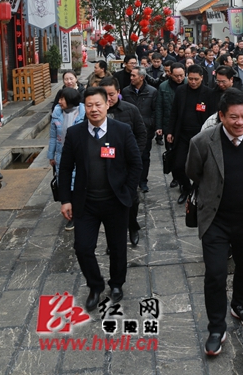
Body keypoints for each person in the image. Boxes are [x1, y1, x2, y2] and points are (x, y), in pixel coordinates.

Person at [186, 88, 243, 356]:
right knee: (215, 274)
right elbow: (193, 173)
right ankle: (215, 327)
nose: (240, 123)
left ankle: (240, 304)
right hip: (216, 221)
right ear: (221, 116)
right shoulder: (202, 141)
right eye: (233, 117)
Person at [57, 87, 142, 311]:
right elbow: (65, 169)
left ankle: (116, 284)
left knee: (117, 247)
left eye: (98, 104)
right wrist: (65, 199)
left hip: (115, 201)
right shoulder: (75, 134)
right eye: (89, 105)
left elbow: (136, 163)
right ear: (84, 107)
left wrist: (128, 191)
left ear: (107, 105)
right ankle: (95, 286)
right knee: (82, 248)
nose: (94, 109)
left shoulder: (121, 130)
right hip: (86, 202)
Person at [100, 77, 147, 246]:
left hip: (127, 165)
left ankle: (132, 225)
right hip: (104, 165)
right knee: (108, 205)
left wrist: (136, 155)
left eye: (111, 94)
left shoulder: (130, 110)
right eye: (104, 95)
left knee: (131, 199)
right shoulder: (96, 113)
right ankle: (113, 240)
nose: (109, 98)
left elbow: (141, 134)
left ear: (118, 93)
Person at [167, 64, 214, 205]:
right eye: (191, 79)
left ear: (202, 78)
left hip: (201, 135)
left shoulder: (208, 93)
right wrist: (170, 131)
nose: (193, 82)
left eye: (196, 79)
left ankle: (197, 189)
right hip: (182, 134)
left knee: (202, 166)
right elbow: (174, 112)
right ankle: (186, 188)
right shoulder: (181, 90)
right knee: (178, 165)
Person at [47, 87, 85, 231]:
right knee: (65, 183)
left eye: (62, 99)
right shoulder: (57, 112)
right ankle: (70, 209)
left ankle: (76, 214)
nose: (60, 101)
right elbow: (52, 136)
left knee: (77, 184)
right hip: (62, 154)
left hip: (79, 155)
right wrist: (51, 155)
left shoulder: (83, 113)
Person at [121, 67, 157, 193]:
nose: (131, 78)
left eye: (134, 76)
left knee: (144, 156)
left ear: (142, 77)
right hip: (129, 129)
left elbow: (155, 111)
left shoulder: (152, 92)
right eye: (131, 75)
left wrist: (151, 124)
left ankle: (143, 181)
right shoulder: (126, 91)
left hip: (145, 129)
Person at [156, 63, 186, 188]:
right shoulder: (163, 87)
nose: (179, 78)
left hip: (184, 125)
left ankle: (185, 177)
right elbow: (159, 107)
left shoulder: (188, 84)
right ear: (170, 74)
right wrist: (159, 127)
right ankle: (175, 177)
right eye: (176, 76)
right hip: (169, 125)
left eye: (181, 76)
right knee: (172, 152)